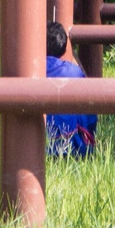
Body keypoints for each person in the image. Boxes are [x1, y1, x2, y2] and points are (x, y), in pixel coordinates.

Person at [44, 21, 96, 158]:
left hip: (35, 144)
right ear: (64, 47)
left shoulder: (30, 71)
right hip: (72, 145)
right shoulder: (74, 72)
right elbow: (90, 113)